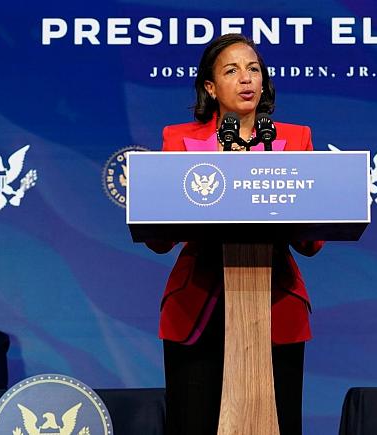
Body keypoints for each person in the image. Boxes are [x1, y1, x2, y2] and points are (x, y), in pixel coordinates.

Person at [146, 34, 323, 435]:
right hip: (198, 307)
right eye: (231, 71)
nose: (246, 78)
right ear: (211, 87)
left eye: (253, 69)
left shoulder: (295, 139)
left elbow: (311, 242)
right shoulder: (179, 139)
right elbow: (159, 237)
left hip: (274, 304)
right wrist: (151, 195)